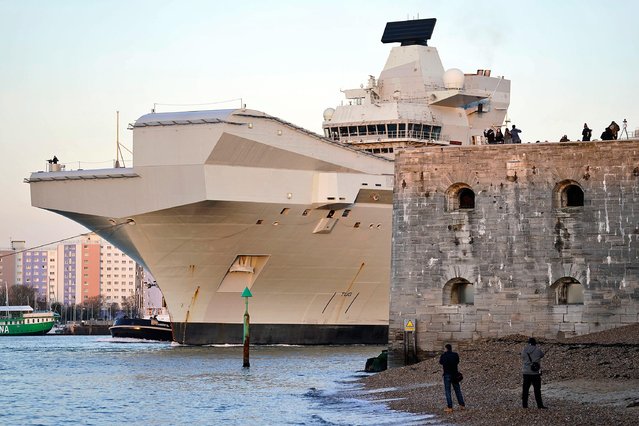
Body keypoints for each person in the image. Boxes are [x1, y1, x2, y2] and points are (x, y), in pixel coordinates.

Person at [521, 337, 546, 409]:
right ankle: (540, 405)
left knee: (525, 390)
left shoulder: (524, 350)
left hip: (526, 372)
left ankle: (525, 405)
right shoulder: (537, 349)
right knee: (537, 390)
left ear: (528, 343)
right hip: (535, 373)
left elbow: (522, 357)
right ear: (535, 343)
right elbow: (542, 355)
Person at [439, 343, 465, 413]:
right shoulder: (455, 355)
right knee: (457, 390)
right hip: (455, 374)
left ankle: (450, 407)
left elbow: (441, 362)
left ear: (446, 349)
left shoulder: (444, 355)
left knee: (448, 391)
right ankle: (462, 405)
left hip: (447, 374)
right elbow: (457, 362)